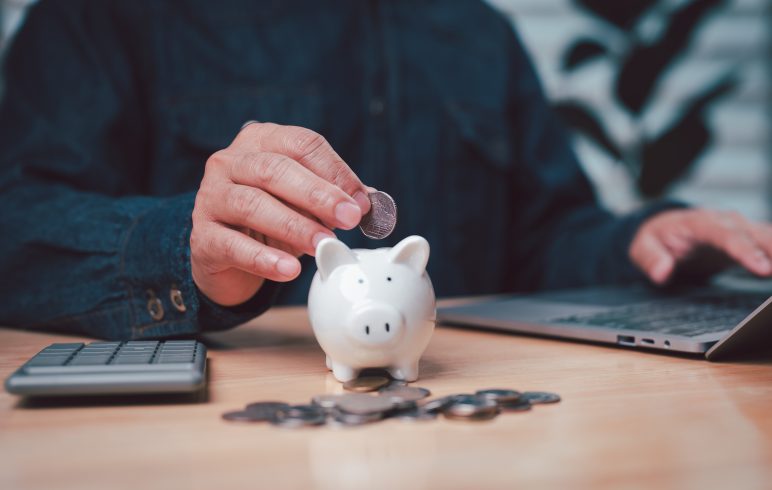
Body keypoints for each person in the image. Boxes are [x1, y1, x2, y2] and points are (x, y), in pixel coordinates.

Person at [0, 0, 769, 340]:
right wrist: (185, 251)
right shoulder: (103, 15)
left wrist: (641, 241)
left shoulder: (476, 30)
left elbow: (544, 236)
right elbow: (15, 224)